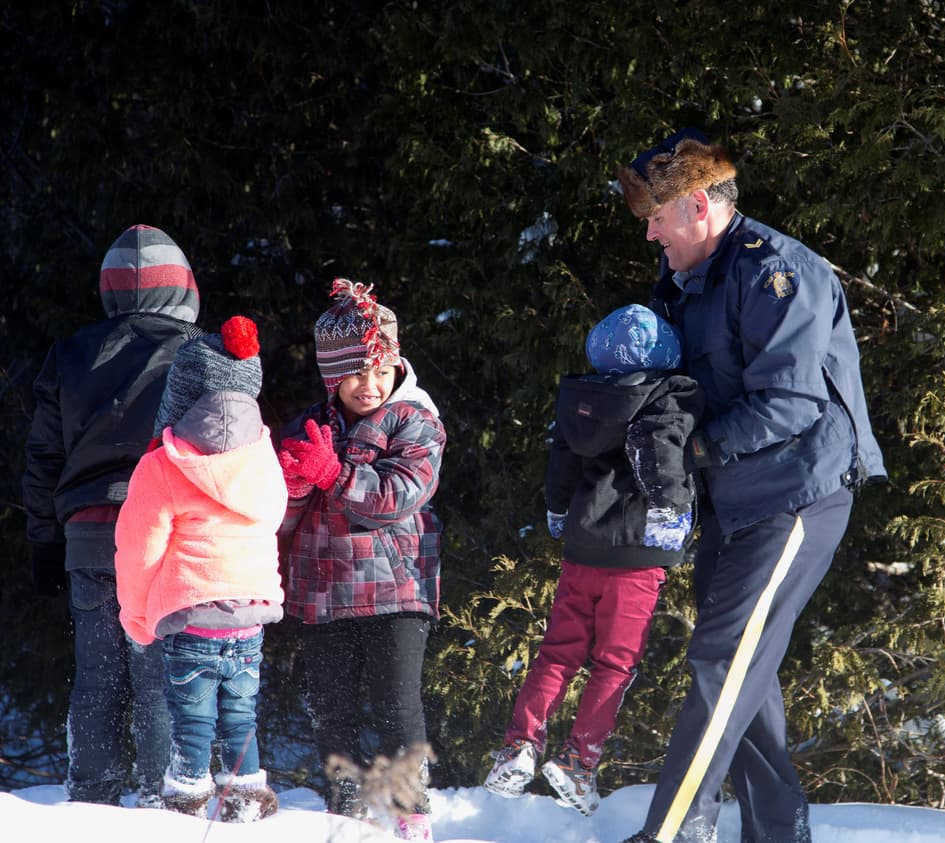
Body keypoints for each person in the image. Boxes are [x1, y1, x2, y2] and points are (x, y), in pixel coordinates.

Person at [614, 128, 887, 843]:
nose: (649, 233)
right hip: (733, 498)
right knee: (746, 672)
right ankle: (778, 831)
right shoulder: (684, 279)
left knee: (720, 657)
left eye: (656, 216)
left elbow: (792, 403)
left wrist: (695, 447)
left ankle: (670, 831)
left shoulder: (777, 272)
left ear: (698, 205)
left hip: (797, 492)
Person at [483, 304, 705, 816]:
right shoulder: (663, 399)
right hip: (637, 555)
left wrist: (558, 513)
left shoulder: (582, 402)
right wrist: (671, 513)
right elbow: (660, 457)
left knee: (558, 652)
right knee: (615, 661)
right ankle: (579, 761)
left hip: (583, 549)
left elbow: (561, 466)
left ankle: (519, 746)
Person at [22, 224, 203, 808]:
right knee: (157, 679)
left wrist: (45, 542)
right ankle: (159, 800)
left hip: (89, 538)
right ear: (184, 287)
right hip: (165, 535)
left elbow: (44, 458)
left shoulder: (69, 354)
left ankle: (90, 797)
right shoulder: (198, 353)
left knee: (98, 676)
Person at [277, 278, 446, 842]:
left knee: (397, 707)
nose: (371, 385)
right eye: (356, 373)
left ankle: (410, 816)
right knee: (331, 709)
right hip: (323, 592)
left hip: (396, 588)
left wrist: (334, 474)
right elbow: (280, 516)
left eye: (381, 369)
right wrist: (296, 483)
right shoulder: (312, 422)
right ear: (332, 375)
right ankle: (342, 816)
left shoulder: (414, 420)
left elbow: (400, 494)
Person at [114, 315, 286, 821]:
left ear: (181, 394)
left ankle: (187, 799)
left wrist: (137, 616)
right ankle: (248, 796)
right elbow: (272, 516)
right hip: (251, 614)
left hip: (192, 616)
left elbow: (138, 547)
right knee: (240, 714)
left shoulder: (164, 463)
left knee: (192, 720)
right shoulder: (262, 456)